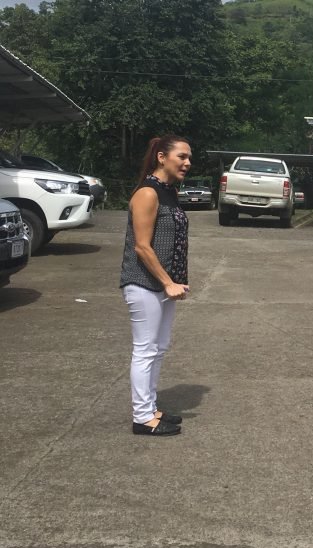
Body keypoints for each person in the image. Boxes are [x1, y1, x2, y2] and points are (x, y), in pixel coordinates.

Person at [119, 135, 192, 437]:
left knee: (158, 349)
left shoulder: (168, 192)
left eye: (189, 158)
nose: (187, 163)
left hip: (164, 286)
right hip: (144, 283)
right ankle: (142, 417)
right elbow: (142, 247)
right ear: (162, 157)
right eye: (182, 157)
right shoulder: (148, 193)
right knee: (146, 350)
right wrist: (167, 282)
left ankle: (150, 407)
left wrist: (174, 282)